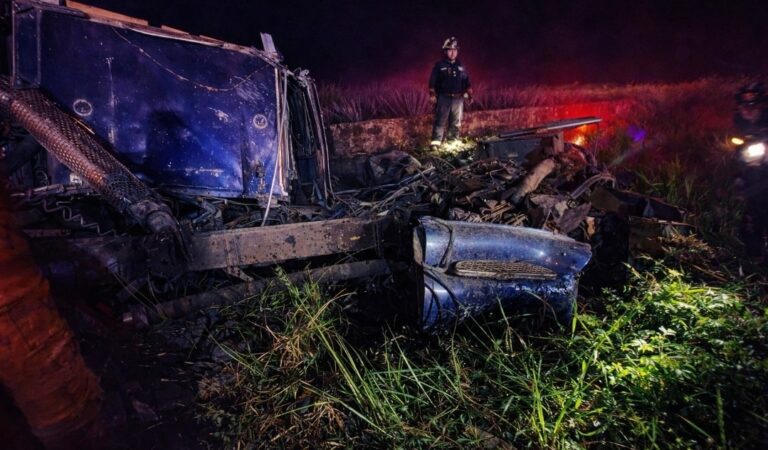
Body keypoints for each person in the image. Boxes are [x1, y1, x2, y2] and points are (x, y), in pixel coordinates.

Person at [428, 37, 473, 149]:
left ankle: (452, 142)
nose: (453, 53)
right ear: (445, 51)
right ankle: (435, 143)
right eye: (450, 50)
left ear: (457, 51)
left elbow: (467, 81)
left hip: (458, 99)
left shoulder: (461, 66)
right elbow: (432, 81)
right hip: (444, 97)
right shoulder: (439, 65)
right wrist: (432, 95)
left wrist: (470, 94)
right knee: (440, 120)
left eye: (455, 50)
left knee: (456, 122)